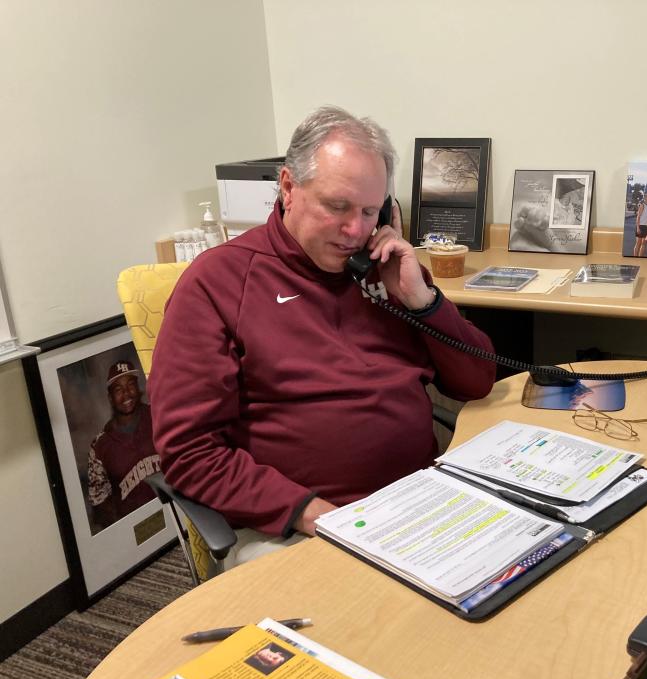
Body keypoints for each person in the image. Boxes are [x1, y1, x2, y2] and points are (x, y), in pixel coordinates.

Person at [150, 106, 496, 566]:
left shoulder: (387, 271)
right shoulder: (217, 282)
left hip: (417, 507)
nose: (355, 231)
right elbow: (189, 453)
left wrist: (421, 302)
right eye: (338, 207)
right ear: (288, 187)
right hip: (297, 526)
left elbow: (477, 381)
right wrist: (309, 514)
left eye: (370, 211)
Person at [87, 361, 161, 529]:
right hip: (139, 530)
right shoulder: (99, 446)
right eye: (118, 390)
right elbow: (99, 503)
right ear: (110, 397)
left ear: (138, 387)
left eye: (130, 385)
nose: (126, 394)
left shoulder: (159, 414)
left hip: (177, 510)